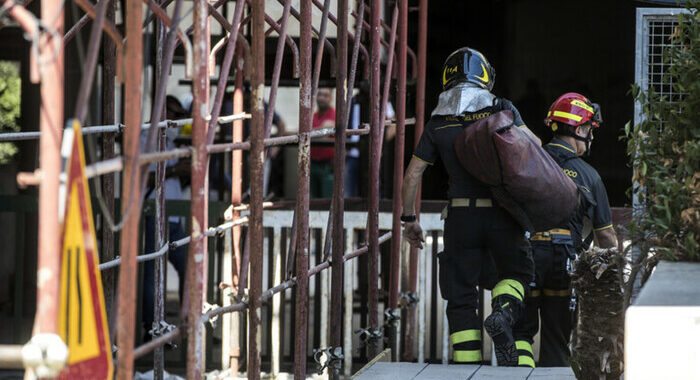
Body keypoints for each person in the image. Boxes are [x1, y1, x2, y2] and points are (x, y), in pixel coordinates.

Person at [401, 47, 535, 366]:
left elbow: (412, 175)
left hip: (460, 217)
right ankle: (503, 312)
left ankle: (466, 368)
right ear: (485, 76)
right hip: (503, 213)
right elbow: (535, 148)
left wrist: (409, 219)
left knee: (461, 294)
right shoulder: (503, 109)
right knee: (516, 271)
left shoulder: (438, 123)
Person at [513, 93, 618, 368]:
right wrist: (615, 273)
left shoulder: (527, 162)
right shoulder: (589, 175)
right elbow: (605, 236)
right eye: (589, 131)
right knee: (557, 339)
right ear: (579, 129)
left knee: (521, 334)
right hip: (564, 263)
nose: (591, 138)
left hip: (527, 258)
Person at [141, 95, 189, 340]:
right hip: (154, 214)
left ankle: (186, 324)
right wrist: (173, 170)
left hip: (172, 217)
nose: (178, 121)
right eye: (175, 115)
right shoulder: (146, 138)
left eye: (181, 116)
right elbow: (141, 177)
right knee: (154, 273)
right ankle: (151, 327)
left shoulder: (168, 142)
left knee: (186, 267)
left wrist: (184, 172)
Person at [310, 88, 336, 198]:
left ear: (331, 98)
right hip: (312, 163)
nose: (322, 98)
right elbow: (320, 132)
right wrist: (320, 131)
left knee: (326, 199)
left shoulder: (334, 114)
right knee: (312, 200)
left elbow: (306, 133)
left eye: (325, 95)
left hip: (327, 165)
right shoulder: (314, 115)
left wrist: (311, 132)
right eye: (320, 95)